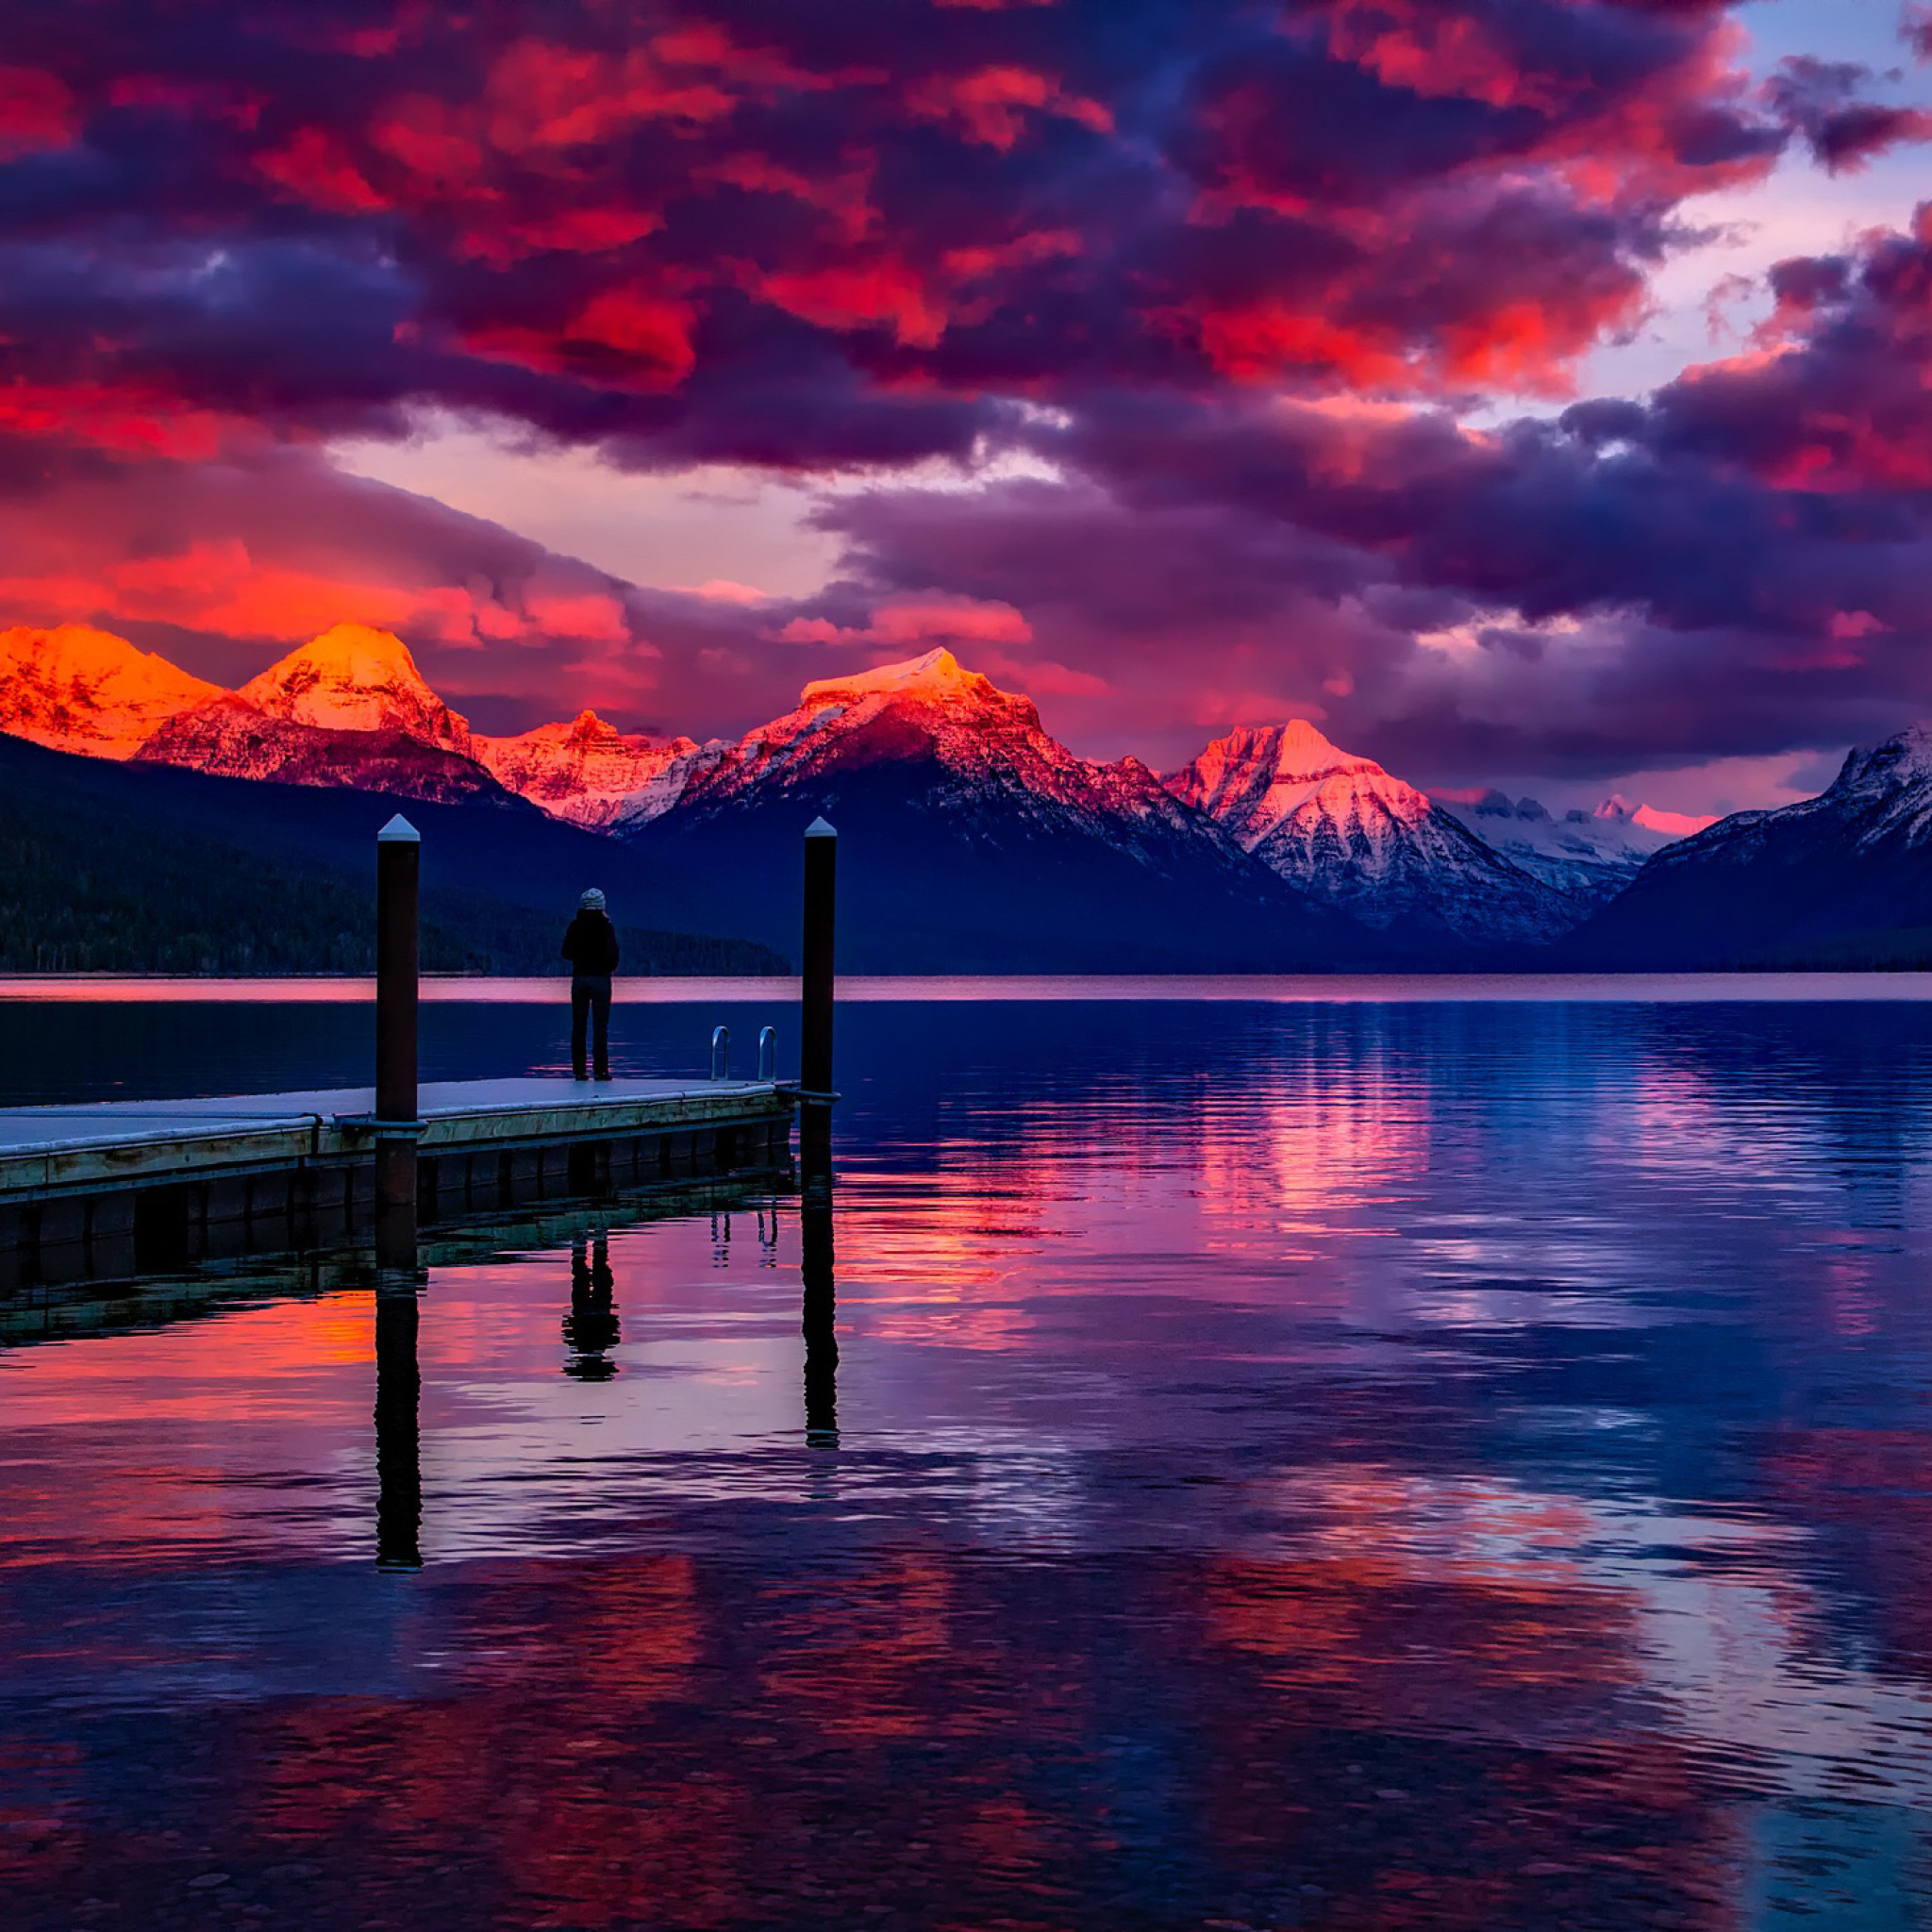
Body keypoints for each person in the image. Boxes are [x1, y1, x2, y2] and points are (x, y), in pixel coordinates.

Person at [560, 888, 620, 1081]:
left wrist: (581, 957)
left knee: (579, 1025)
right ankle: (601, 1070)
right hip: (601, 980)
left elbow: (566, 953)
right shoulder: (606, 927)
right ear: (602, 905)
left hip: (580, 979)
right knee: (600, 1026)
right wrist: (606, 967)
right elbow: (613, 956)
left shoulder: (575, 926)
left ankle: (579, 1070)